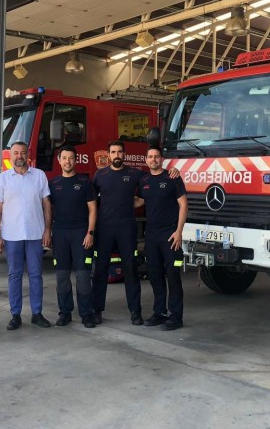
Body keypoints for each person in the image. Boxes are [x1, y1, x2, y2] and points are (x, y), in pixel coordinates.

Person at [91, 141, 179, 325]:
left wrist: (173, 172)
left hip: (127, 228)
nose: (117, 155)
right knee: (100, 270)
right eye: (113, 152)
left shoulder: (135, 175)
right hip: (105, 228)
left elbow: (155, 179)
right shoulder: (100, 175)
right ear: (108, 155)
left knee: (130, 269)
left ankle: (135, 312)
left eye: (120, 152)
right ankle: (96, 310)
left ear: (125, 154)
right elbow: (91, 203)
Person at [0, 141, 52, 330]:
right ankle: (15, 314)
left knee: (36, 275)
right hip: (11, 235)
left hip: (35, 233)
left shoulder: (39, 176)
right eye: (15, 153)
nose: (19, 156)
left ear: (28, 155)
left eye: (22, 153)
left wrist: (48, 230)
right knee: (14, 275)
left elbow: (47, 204)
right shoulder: (3, 178)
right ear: (10, 155)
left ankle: (37, 313)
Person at [135, 146, 188, 330]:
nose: (153, 160)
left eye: (156, 157)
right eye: (150, 157)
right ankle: (159, 312)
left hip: (170, 235)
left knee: (173, 275)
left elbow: (183, 205)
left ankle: (176, 316)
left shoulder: (172, 178)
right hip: (151, 235)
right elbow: (140, 201)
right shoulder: (144, 180)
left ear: (162, 159)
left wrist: (179, 231)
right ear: (146, 160)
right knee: (155, 275)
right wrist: (115, 199)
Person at [49, 146, 98, 328]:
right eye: (64, 158)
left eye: (71, 158)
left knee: (83, 277)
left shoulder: (84, 182)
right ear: (59, 160)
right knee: (62, 276)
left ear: (75, 160)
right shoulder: (53, 184)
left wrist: (90, 233)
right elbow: (49, 210)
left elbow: (93, 209)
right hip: (60, 234)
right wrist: (48, 231)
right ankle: (65, 313)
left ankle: (87, 314)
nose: (67, 161)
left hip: (81, 234)